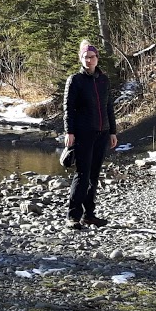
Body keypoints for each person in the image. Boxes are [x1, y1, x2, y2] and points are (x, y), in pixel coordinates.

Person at [62, 39, 118, 230]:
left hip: (102, 133)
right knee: (82, 175)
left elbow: (109, 106)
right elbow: (68, 108)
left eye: (91, 57)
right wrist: (69, 132)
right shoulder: (75, 80)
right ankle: (73, 216)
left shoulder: (104, 80)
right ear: (81, 58)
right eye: (85, 57)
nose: (88, 60)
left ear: (97, 58)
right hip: (83, 134)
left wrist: (113, 131)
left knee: (94, 175)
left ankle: (89, 215)